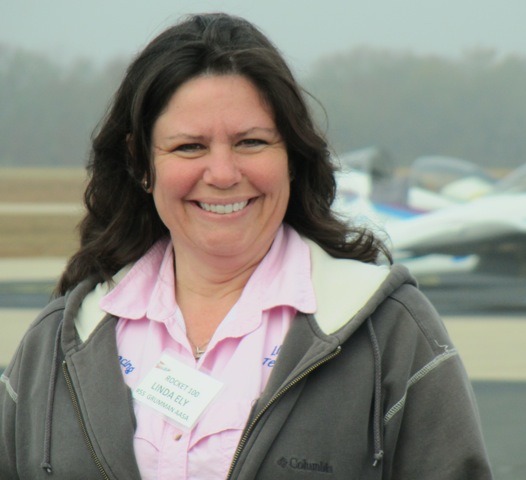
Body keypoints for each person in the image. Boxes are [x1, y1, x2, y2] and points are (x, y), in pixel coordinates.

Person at [0, 13, 492, 479]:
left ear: (292, 157)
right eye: (189, 146)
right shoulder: (57, 341)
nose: (222, 174)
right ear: (141, 164)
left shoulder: (391, 332)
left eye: (251, 142)